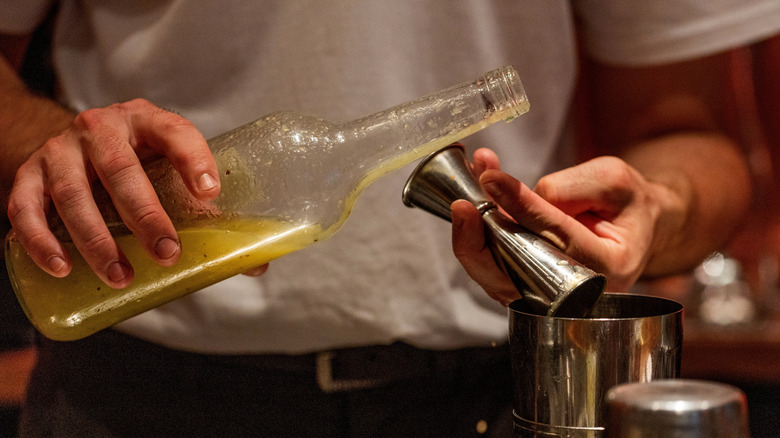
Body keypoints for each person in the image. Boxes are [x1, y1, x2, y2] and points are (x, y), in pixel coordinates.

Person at [0, 1, 778, 437]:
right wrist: (56, 147)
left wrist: (656, 207)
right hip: (139, 401)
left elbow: (692, 130)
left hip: (488, 399)